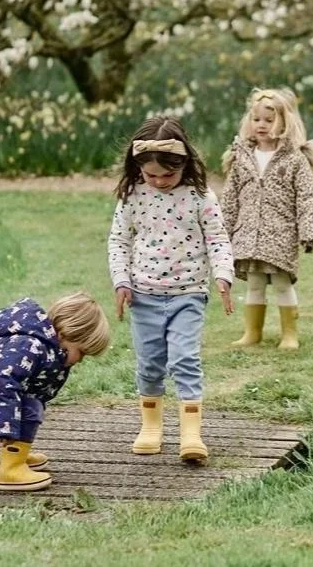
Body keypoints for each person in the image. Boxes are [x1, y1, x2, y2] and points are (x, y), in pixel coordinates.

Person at [108, 116, 234, 463]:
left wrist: (223, 274)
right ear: (138, 168)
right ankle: (151, 427)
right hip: (143, 295)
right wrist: (121, 281)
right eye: (151, 175)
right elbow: (119, 241)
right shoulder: (133, 196)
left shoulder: (199, 196)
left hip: (188, 294)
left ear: (184, 165)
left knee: (185, 359)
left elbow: (218, 238)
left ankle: (191, 434)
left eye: (168, 174)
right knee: (149, 364)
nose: (160, 181)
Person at [0, 292, 110, 491]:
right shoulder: (28, 345)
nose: (79, 360)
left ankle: (17, 455)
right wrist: (7, 428)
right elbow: (3, 381)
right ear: (64, 334)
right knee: (31, 406)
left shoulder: (43, 346)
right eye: (81, 352)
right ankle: (11, 469)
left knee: (33, 403)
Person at [221, 87, 313, 350]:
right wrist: (224, 230)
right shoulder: (241, 157)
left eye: (269, 119)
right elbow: (231, 196)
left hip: (280, 233)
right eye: (256, 120)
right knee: (254, 284)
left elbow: (307, 197)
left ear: (284, 122)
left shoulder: (294, 160)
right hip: (248, 233)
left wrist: (308, 232)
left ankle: (290, 334)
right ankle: (252, 332)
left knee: (281, 283)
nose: (262, 125)